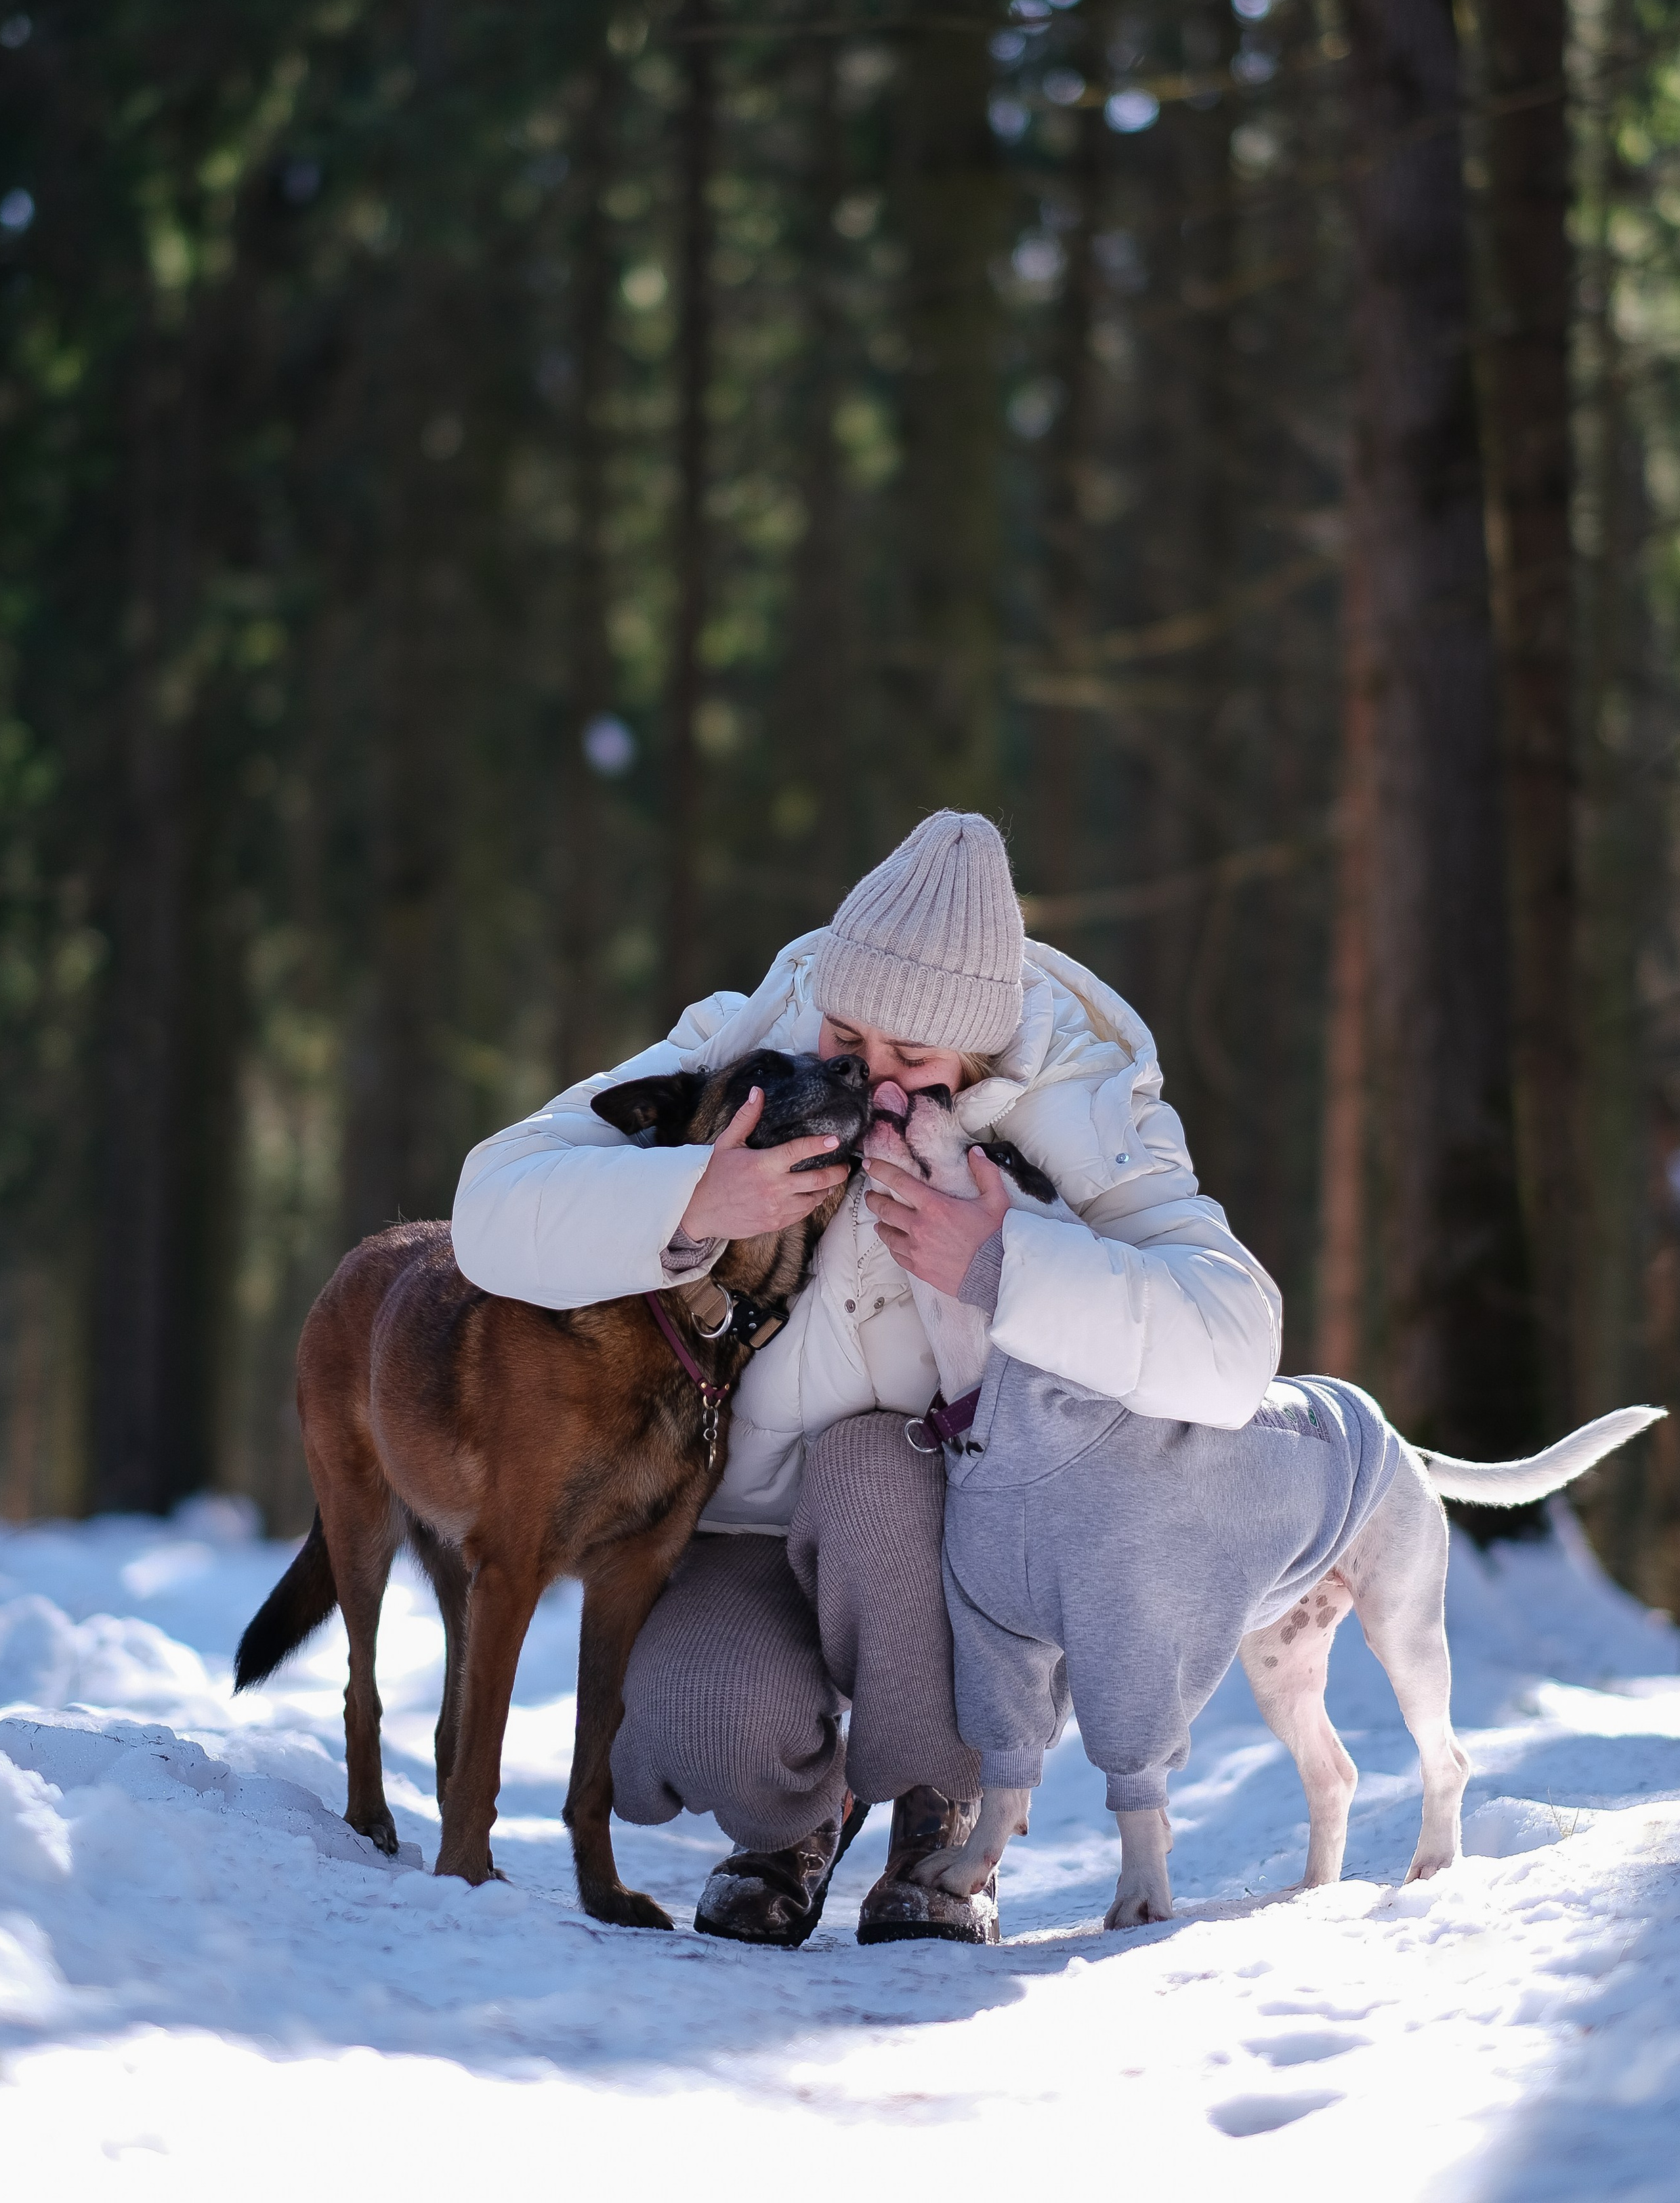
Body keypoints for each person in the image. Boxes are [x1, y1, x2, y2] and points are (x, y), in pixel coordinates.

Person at [450, 810, 1282, 1944]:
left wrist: (1005, 1269)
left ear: (978, 1062)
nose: (864, 1082)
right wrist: (689, 1198)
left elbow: (1237, 1345)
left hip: (944, 1543)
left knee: (869, 1472)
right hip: (735, 1527)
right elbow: (491, 1206)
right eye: (847, 1041)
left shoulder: (1077, 1102)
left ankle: (946, 1808)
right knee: (696, 1711)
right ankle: (793, 1824)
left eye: (912, 1065)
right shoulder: (754, 1034)